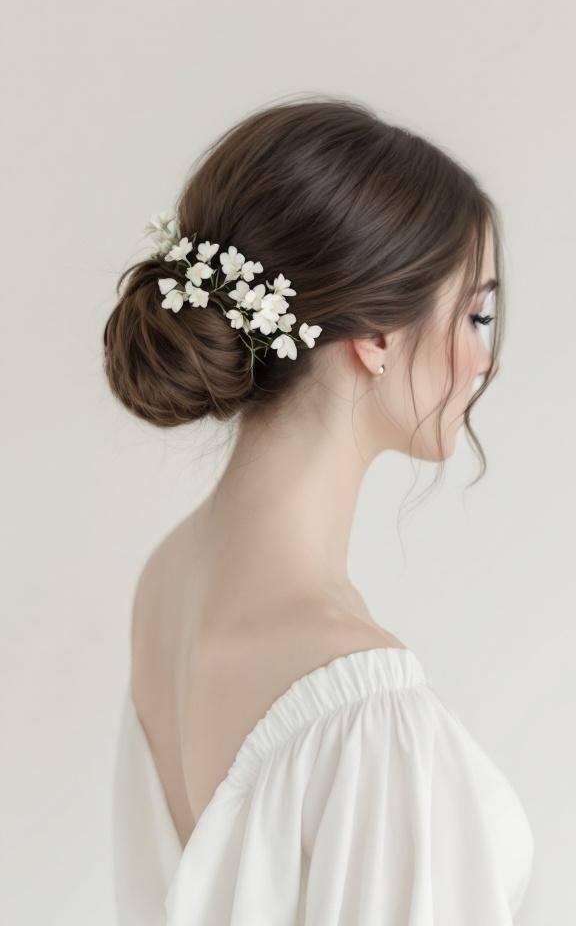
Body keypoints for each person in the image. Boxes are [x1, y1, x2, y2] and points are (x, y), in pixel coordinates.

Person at [104, 96, 534, 924]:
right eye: (475, 314)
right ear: (375, 334)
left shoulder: (166, 581)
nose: (488, 359)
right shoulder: (363, 707)